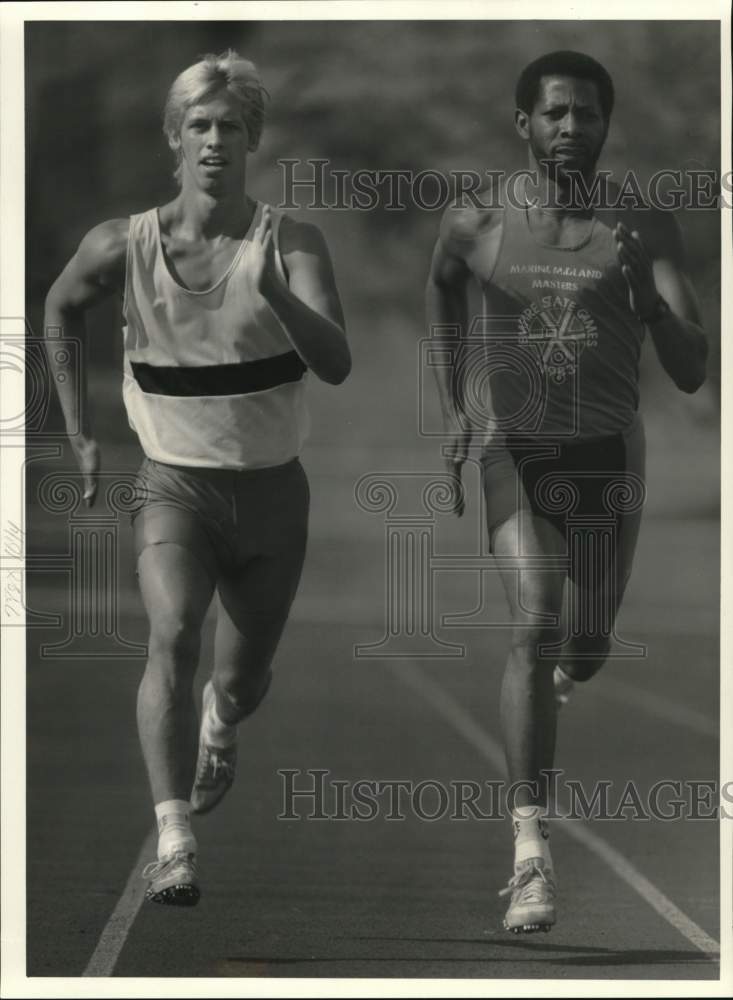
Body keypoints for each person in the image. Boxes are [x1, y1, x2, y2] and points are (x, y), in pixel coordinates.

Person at [44, 50, 351, 906]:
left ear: (252, 138)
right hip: (173, 486)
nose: (215, 141)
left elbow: (336, 362)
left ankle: (223, 721)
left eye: (231, 127)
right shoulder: (121, 244)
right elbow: (59, 309)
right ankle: (174, 836)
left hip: (272, 494)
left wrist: (276, 296)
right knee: (174, 631)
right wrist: (76, 428)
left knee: (240, 680)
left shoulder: (293, 243)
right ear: (174, 139)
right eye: (199, 127)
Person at [426, 50, 707, 933]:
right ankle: (530, 855)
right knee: (533, 619)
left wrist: (651, 305)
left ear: (604, 126)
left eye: (586, 114)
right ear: (524, 125)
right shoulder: (475, 221)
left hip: (606, 459)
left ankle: (565, 672)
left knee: (581, 650)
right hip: (515, 450)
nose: (570, 128)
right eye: (554, 113)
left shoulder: (642, 225)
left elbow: (694, 371)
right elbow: (440, 291)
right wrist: (454, 404)